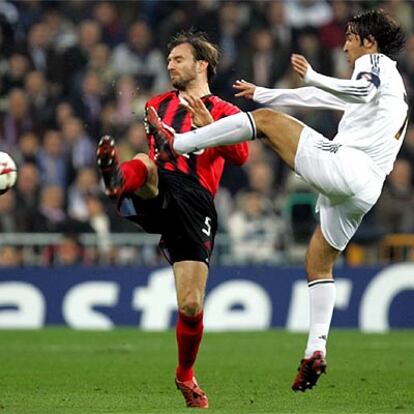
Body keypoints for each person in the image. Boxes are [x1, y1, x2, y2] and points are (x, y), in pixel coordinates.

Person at [146, 10, 408, 392]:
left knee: (265, 122)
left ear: (369, 41)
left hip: (350, 165)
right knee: (318, 262)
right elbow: (325, 97)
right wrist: (269, 93)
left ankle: (178, 143)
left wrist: (312, 76)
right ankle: (314, 349)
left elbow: (356, 90)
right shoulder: (390, 81)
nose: (345, 44)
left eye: (351, 37)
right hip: (367, 187)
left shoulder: (376, 63)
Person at [96, 31, 249, 408]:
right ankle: (118, 180)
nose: (170, 65)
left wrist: (209, 127)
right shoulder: (156, 105)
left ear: (202, 66)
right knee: (146, 164)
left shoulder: (226, 110)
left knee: (191, 305)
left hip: (197, 202)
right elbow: (158, 158)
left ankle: (185, 374)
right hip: (163, 184)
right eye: (168, 60)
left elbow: (242, 154)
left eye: (178, 59)